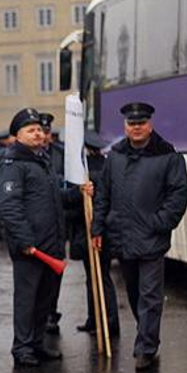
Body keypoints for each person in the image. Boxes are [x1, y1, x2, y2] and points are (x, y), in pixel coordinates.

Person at [92, 102, 187, 370]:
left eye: (141, 123)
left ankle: (146, 347)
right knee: (135, 294)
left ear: (150, 124)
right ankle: (145, 333)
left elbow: (178, 195)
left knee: (150, 296)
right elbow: (103, 195)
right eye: (132, 124)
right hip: (121, 238)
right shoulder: (116, 157)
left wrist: (160, 223)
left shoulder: (168, 156)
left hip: (151, 239)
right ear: (125, 127)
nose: (136, 128)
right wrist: (98, 227)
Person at [0, 108, 90, 367]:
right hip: (32, 248)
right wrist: (25, 241)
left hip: (51, 246)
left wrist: (79, 191)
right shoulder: (13, 165)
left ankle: (37, 344)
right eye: (31, 130)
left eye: (39, 129)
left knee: (44, 301)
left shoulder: (41, 162)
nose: (38, 133)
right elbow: (8, 207)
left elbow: (55, 198)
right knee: (27, 301)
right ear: (17, 136)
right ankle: (23, 347)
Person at [72, 131, 120, 336]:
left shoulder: (88, 171)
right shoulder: (107, 166)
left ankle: (107, 322)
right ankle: (96, 319)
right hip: (103, 230)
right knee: (96, 276)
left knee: (99, 277)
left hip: (96, 231)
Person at [39, 112, 66, 335]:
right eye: (40, 131)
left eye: (47, 132)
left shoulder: (61, 154)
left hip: (59, 223)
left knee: (55, 274)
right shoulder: (25, 157)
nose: (44, 136)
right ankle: (40, 316)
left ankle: (51, 313)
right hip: (37, 227)